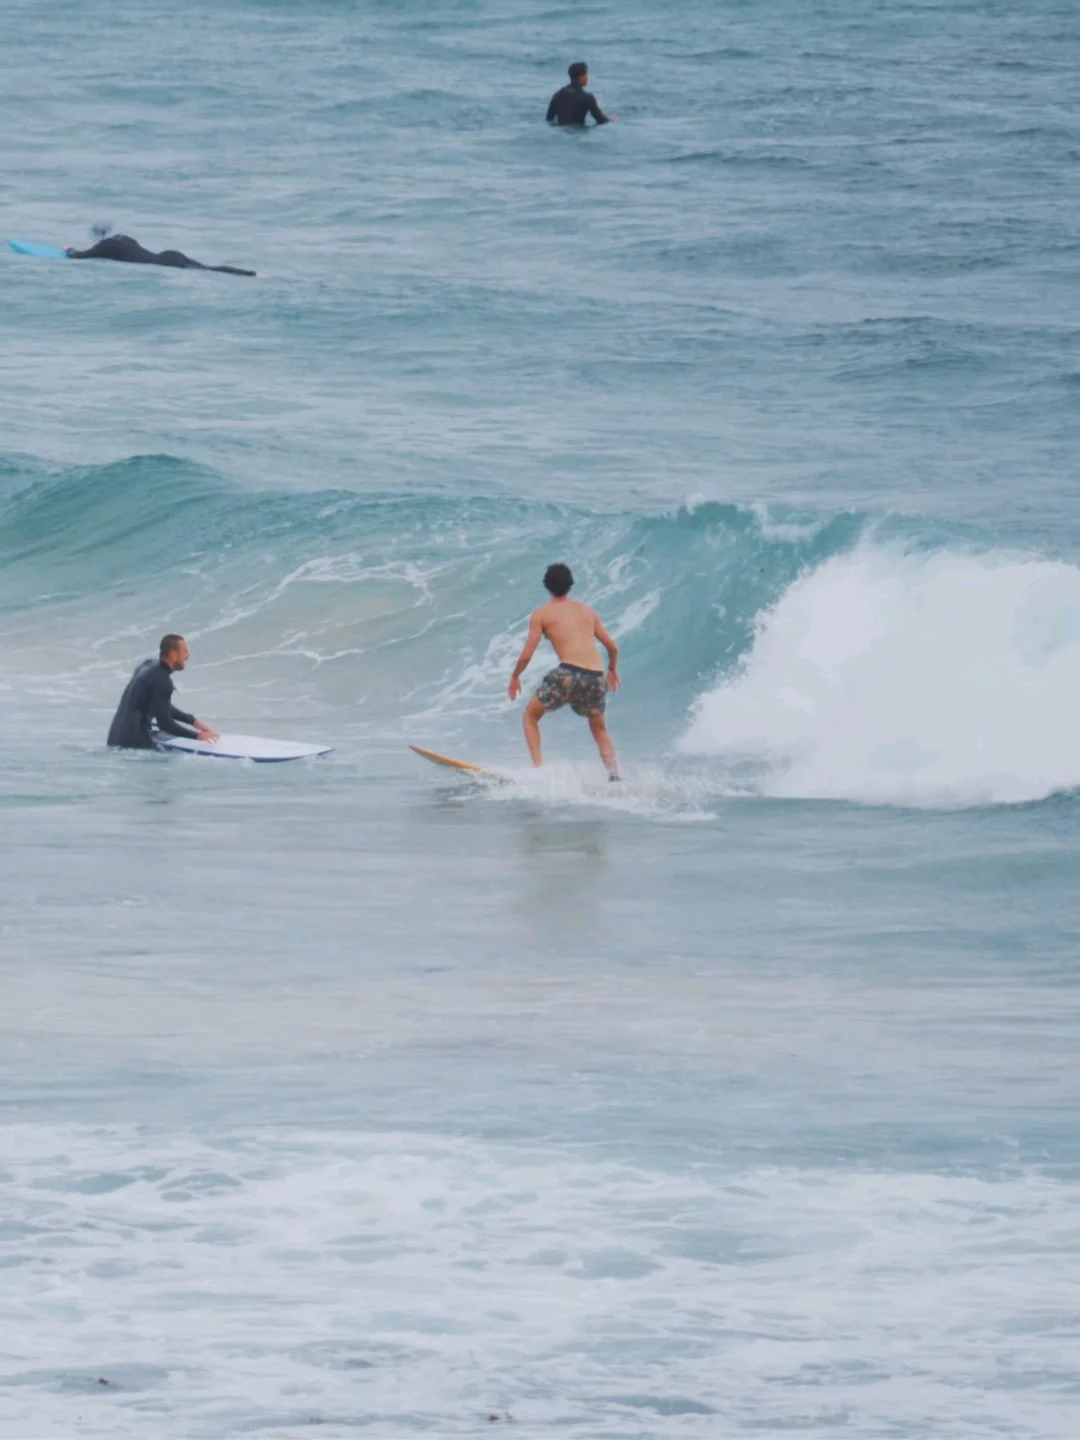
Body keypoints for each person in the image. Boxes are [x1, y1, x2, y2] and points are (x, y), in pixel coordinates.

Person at [508, 564, 620, 779]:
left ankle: (539, 770)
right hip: (596, 677)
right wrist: (613, 670)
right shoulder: (587, 610)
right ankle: (615, 776)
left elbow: (526, 654)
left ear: (546, 586)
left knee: (530, 716)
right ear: (570, 585)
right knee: (599, 729)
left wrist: (515, 676)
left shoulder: (542, 614)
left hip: (568, 674)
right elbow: (612, 647)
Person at [107, 634, 219, 750]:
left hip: (115, 739)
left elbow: (160, 705)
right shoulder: (163, 681)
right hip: (134, 746)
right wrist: (198, 736)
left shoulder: (147, 666)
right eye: (184, 652)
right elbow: (166, 724)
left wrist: (193, 721)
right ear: (172, 655)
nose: (187, 656)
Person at [67, 233, 256, 277]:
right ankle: (251, 274)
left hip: (166, 266)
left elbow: (76, 256)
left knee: (208, 272)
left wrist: (69, 249)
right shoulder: (122, 238)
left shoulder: (104, 247)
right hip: (169, 256)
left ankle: (250, 275)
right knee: (210, 269)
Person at [546, 62, 616, 127]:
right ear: (580, 77)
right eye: (586, 75)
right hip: (578, 133)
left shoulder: (557, 95)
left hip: (561, 133)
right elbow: (601, 120)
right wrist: (611, 120)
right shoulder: (587, 97)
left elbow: (549, 119)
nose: (587, 78)